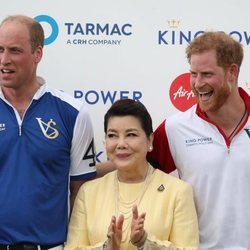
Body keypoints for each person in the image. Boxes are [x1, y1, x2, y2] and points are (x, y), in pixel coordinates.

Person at [0, 14, 110, 249]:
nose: (4, 59)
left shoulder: (72, 112)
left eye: (14, 50)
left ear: (37, 54)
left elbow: (81, 191)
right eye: (0, 49)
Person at [147, 31, 250, 249]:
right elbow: (132, 165)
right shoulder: (174, 129)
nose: (197, 83)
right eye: (193, 74)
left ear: (232, 72)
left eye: (206, 74)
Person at [65, 98, 199, 250]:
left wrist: (145, 243)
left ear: (150, 140)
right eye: (112, 135)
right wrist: (106, 248)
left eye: (131, 135)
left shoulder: (178, 191)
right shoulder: (88, 192)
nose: (121, 144)